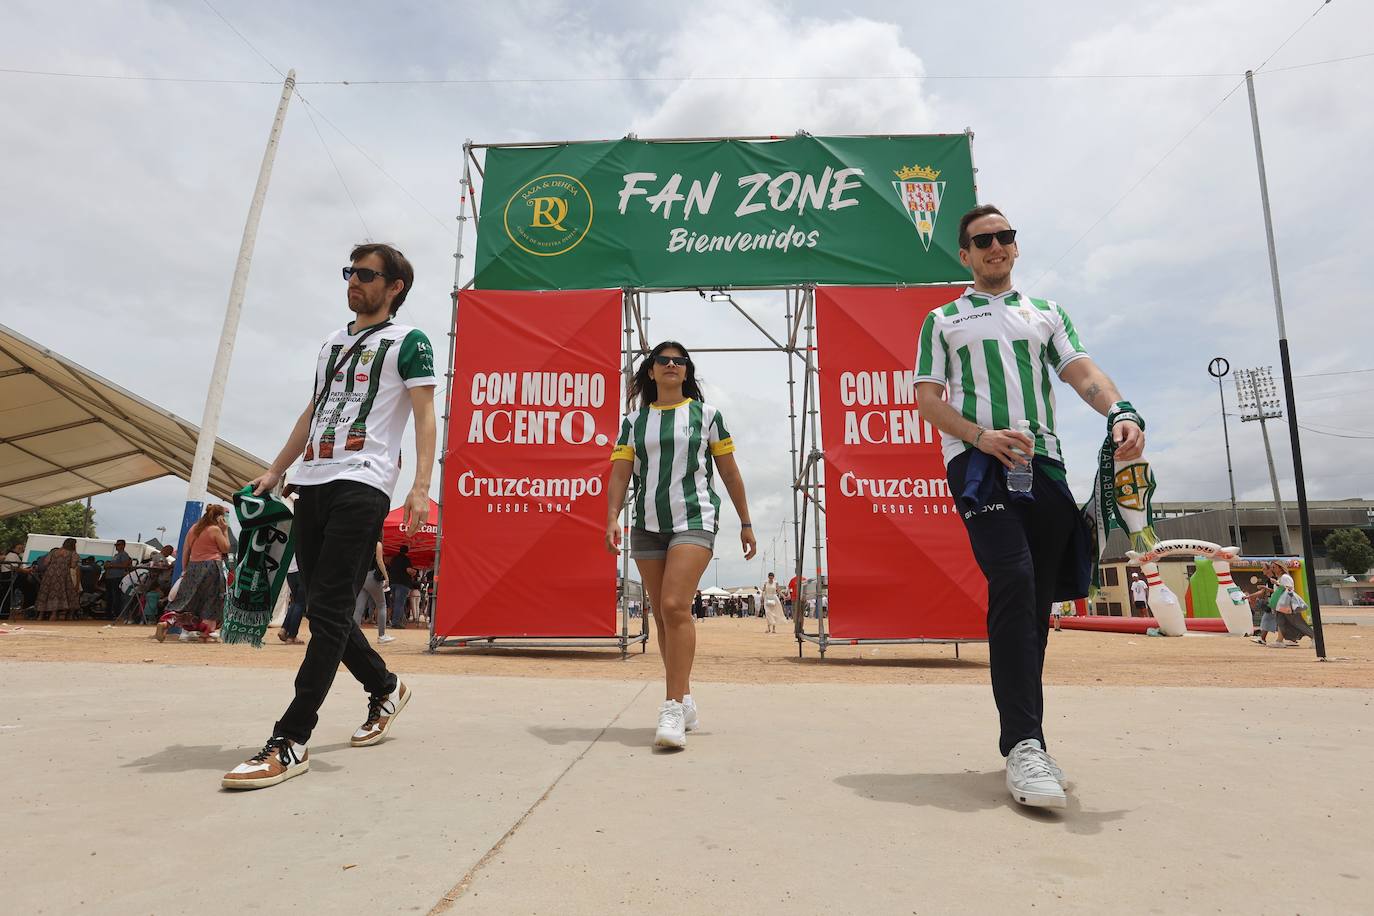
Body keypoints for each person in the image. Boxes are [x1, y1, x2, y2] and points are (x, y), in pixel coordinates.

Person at [914, 204, 1145, 810]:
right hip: (980, 465)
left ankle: (1029, 742)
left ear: (1016, 248)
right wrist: (979, 437)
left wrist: (1120, 410)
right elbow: (927, 402)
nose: (995, 246)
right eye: (981, 240)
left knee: (1037, 599)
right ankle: (1022, 743)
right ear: (964, 255)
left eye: (1004, 237)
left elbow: (1080, 372)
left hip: (1045, 467)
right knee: (1012, 581)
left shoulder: (1047, 314)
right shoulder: (941, 320)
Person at [223, 242, 435, 790]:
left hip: (363, 481)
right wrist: (274, 470)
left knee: (333, 607)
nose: (354, 281)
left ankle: (291, 739)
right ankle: (386, 686)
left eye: (367, 275)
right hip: (310, 482)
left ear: (394, 288)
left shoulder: (408, 341)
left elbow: (425, 415)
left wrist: (419, 486)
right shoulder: (332, 343)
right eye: (351, 272)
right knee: (321, 609)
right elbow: (312, 410)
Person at [605, 341, 756, 750]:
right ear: (651, 372)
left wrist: (745, 522)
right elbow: (619, 474)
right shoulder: (633, 421)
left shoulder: (707, 416)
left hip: (694, 520)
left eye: (680, 361)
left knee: (674, 606)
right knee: (661, 616)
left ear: (687, 372)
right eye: (663, 361)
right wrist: (611, 516)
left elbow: (729, 472)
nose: (672, 365)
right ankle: (685, 697)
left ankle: (671, 706)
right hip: (646, 526)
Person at [157, 505, 230, 642]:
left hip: (193, 566)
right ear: (219, 517)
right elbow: (225, 548)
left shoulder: (193, 529)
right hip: (212, 566)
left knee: (187, 600)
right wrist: (225, 531)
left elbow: (185, 551)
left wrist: (185, 570)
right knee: (211, 600)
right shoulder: (215, 529)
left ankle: (167, 623)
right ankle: (207, 633)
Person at [354, 540, 393, 644]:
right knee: (381, 605)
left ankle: (353, 635)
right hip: (372, 577)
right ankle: (382, 635)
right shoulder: (377, 543)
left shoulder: (362, 541)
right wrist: (386, 577)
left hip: (361, 576)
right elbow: (380, 561)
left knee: (359, 608)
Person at [35, 539, 80, 620]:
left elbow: (46, 562)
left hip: (50, 574)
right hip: (62, 574)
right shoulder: (73, 553)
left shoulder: (54, 551)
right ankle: (53, 615)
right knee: (58, 592)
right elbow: (73, 565)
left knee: (46, 592)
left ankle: (40, 615)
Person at [386, 545, 416, 629]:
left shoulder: (394, 559)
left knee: (396, 603)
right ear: (407, 551)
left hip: (393, 583)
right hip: (403, 583)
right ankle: (396, 623)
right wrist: (414, 572)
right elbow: (408, 570)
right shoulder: (405, 559)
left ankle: (402, 621)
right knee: (400, 603)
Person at [278, 554, 306, 644]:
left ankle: (284, 629)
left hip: (290, 571)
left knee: (295, 602)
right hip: (301, 571)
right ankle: (292, 636)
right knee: (300, 604)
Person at [103, 539, 133, 619]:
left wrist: (111, 565)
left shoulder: (124, 554)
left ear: (123, 545)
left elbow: (125, 565)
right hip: (110, 577)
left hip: (117, 577)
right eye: (116, 545)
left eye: (119, 545)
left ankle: (115, 613)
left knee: (115, 596)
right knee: (110, 596)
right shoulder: (116, 555)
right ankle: (108, 613)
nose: (117, 546)